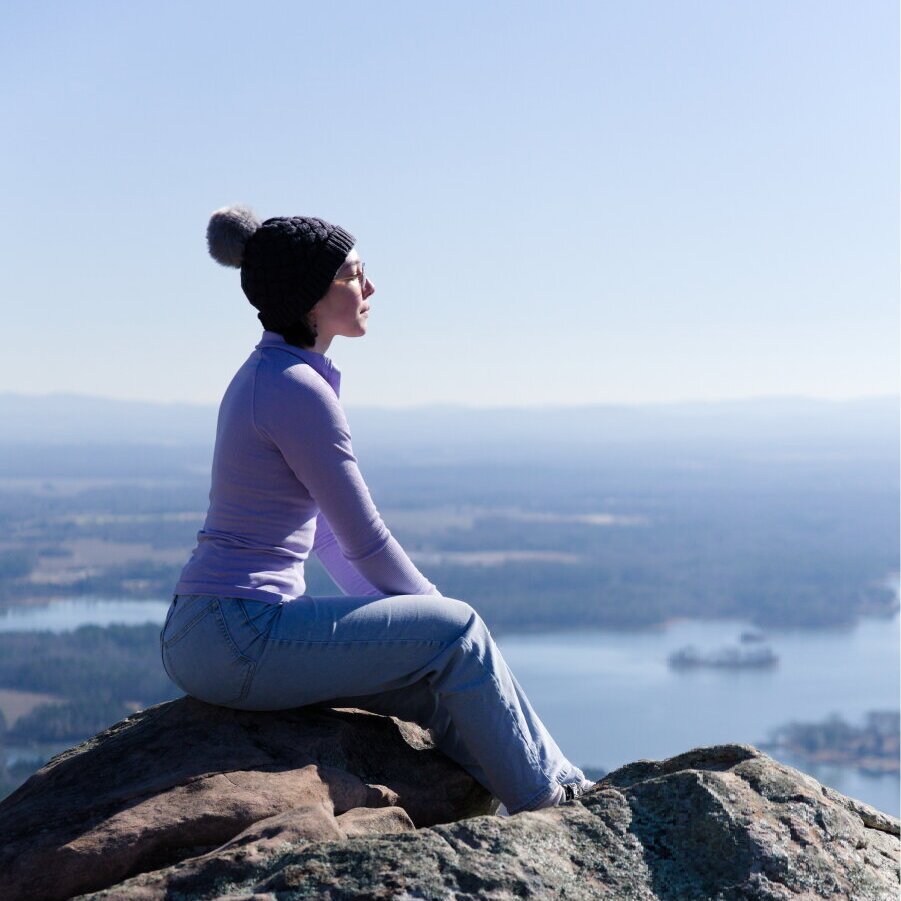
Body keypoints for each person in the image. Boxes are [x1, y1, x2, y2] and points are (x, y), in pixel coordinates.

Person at [161, 205, 594, 815]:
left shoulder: (271, 377)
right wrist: (438, 615)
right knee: (459, 632)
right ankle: (553, 808)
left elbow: (327, 541)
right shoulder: (295, 389)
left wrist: (421, 628)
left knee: (432, 678)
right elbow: (362, 541)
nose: (369, 287)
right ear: (312, 294)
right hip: (238, 634)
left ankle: (544, 784)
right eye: (355, 274)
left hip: (211, 633)